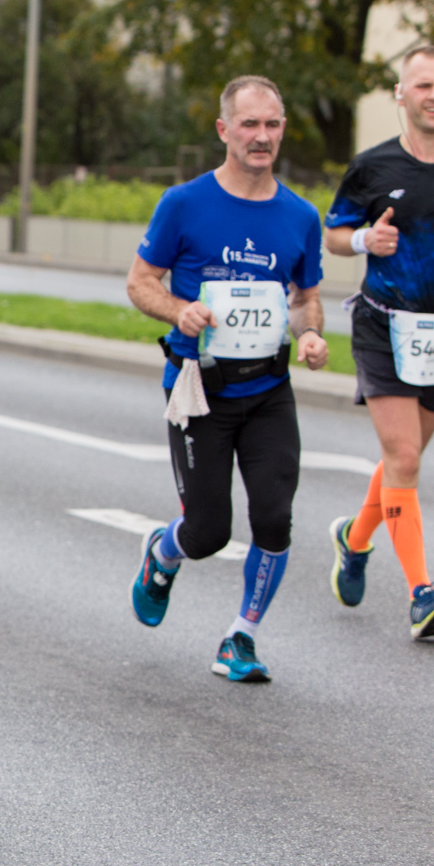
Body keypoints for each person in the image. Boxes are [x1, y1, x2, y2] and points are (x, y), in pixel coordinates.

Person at [126, 75, 329, 683]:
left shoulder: (299, 216)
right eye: (249, 124)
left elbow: (306, 298)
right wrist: (178, 310)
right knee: (209, 531)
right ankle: (163, 554)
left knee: (273, 515)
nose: (261, 136)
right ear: (224, 131)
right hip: (198, 387)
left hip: (268, 389)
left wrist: (312, 333)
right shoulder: (184, 204)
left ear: (282, 129)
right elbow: (141, 282)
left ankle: (241, 636)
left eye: (271, 125)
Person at [326, 44, 434, 638]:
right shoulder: (373, 167)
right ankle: (423, 593)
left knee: (406, 459)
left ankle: (355, 538)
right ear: (401, 95)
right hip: (383, 327)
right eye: (423, 85)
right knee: (404, 458)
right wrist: (365, 241)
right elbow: (335, 234)